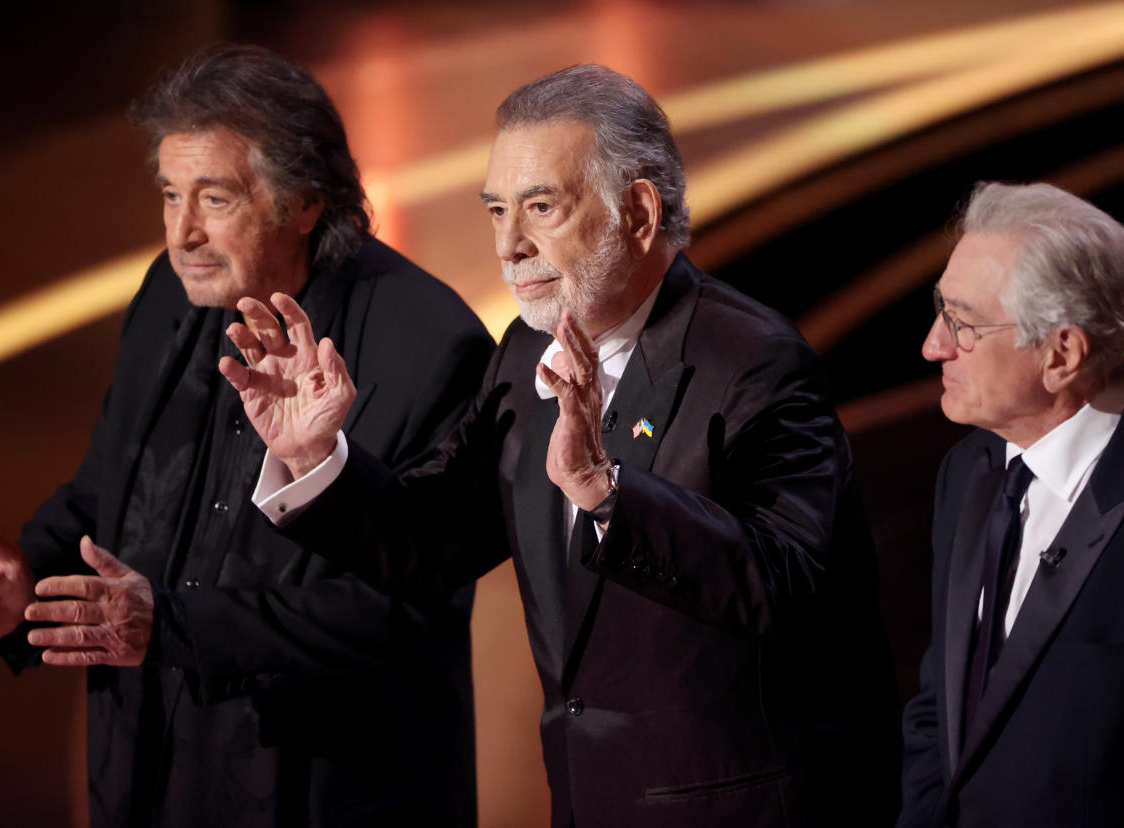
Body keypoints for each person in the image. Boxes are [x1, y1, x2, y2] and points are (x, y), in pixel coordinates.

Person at [223, 64, 898, 827]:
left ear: (638, 212)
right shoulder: (522, 354)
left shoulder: (756, 362)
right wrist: (317, 456)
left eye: (541, 207)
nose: (509, 245)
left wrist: (610, 496)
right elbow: (436, 541)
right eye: (497, 211)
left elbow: (782, 584)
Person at [0, 44, 491, 827]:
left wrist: (171, 627)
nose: (182, 233)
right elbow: (109, 491)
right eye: (170, 195)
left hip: (328, 795)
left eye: (214, 199)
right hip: (147, 781)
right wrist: (25, 583)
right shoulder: (167, 298)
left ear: (306, 201)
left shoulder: (432, 343)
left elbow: (400, 610)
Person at [899, 182, 1124, 827]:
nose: (933, 346)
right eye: (941, 310)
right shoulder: (967, 470)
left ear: (1062, 354)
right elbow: (939, 707)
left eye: (963, 324)